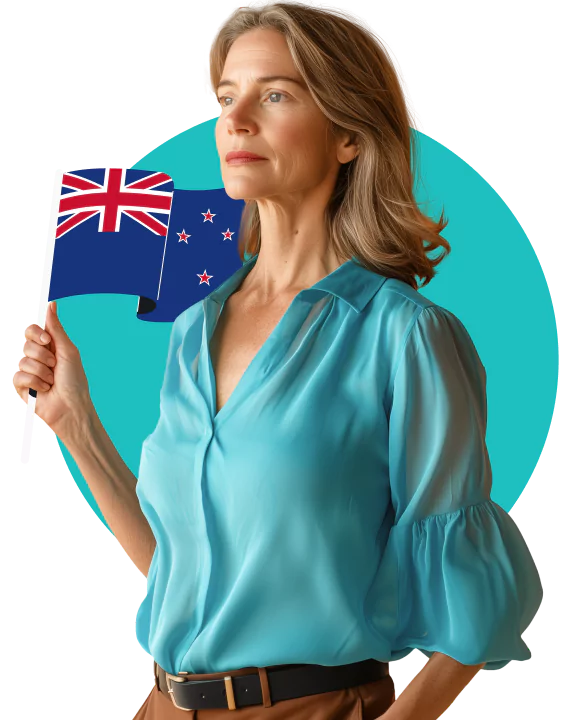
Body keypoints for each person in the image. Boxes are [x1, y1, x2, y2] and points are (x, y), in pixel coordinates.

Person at [16, 1, 543, 718]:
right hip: (164, 707)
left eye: (275, 94)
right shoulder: (193, 328)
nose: (234, 122)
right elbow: (181, 569)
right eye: (227, 98)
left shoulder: (405, 336)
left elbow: (478, 609)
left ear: (349, 135)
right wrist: (75, 424)